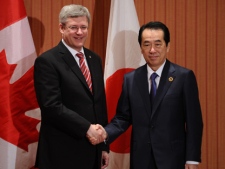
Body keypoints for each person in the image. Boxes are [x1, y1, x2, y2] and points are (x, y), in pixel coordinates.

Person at [89, 21, 203, 169]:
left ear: (167, 46)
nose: (152, 50)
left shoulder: (184, 77)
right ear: (141, 48)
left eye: (158, 44)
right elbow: (123, 118)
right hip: (141, 159)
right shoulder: (131, 79)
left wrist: (192, 159)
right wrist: (105, 133)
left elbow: (194, 122)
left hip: (173, 158)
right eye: (147, 44)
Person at [34, 4, 109, 169]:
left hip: (92, 149)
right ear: (61, 28)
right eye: (73, 27)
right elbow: (51, 106)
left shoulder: (94, 59)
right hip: (61, 152)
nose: (80, 32)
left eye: (83, 27)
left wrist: (103, 146)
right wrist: (87, 128)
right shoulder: (48, 61)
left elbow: (99, 103)